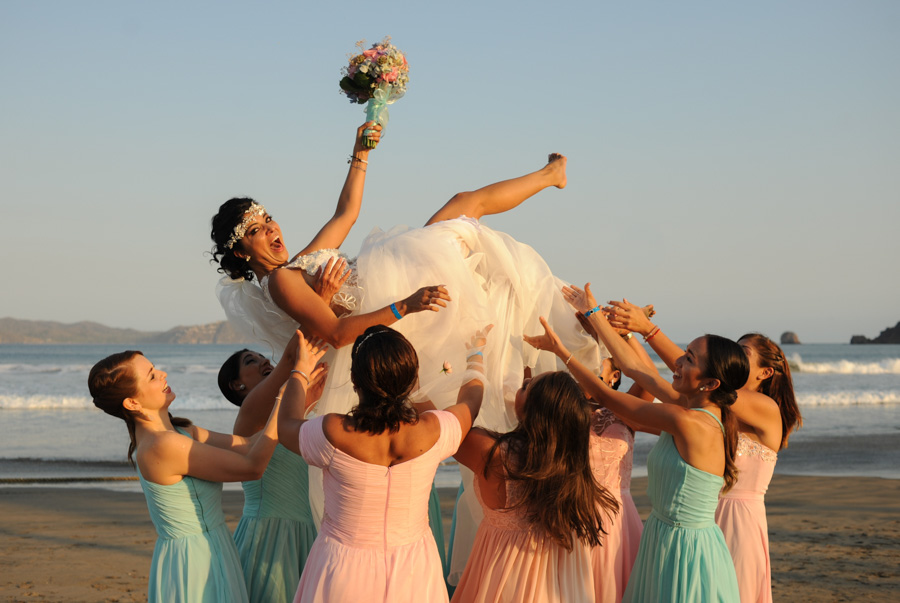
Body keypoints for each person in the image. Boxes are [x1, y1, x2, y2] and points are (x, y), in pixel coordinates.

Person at [211, 123, 603, 433]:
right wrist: (405, 304)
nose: (270, 228)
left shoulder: (296, 266)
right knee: (467, 210)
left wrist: (361, 153)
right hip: (394, 298)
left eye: (267, 218)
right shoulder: (279, 282)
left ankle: (551, 176)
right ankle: (551, 176)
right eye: (255, 230)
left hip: (395, 281)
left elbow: (346, 214)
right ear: (241, 253)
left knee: (469, 218)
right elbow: (336, 334)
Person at [526, 283, 743, 602]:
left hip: (686, 547)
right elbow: (634, 368)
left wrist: (562, 351)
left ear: (710, 383)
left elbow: (606, 396)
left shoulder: (689, 421)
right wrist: (593, 313)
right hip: (662, 535)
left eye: (689, 359)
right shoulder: (691, 409)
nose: (677, 363)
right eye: (683, 353)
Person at [277, 325, 489, 602]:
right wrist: (475, 354)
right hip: (414, 568)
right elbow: (471, 402)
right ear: (412, 380)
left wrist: (300, 371)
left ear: (354, 379)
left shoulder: (332, 432)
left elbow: (286, 426)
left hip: (342, 568)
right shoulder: (434, 430)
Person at [606, 302, 802, 602]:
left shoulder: (766, 409)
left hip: (738, 522)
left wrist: (648, 331)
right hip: (697, 515)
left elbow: (695, 372)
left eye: (743, 353)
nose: (733, 355)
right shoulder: (711, 416)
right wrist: (627, 335)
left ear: (765, 372)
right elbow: (656, 387)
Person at [88, 351, 281, 603]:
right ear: (132, 403)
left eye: (156, 368)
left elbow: (249, 445)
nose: (163, 374)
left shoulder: (180, 432)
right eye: (151, 376)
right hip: (195, 560)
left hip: (214, 546)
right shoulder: (162, 445)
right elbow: (252, 467)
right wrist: (284, 396)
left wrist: (297, 399)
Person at [217, 333, 326, 603]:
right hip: (269, 536)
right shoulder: (250, 414)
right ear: (237, 384)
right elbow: (290, 357)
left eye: (262, 356)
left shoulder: (294, 413)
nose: (264, 361)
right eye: (251, 361)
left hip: (308, 531)